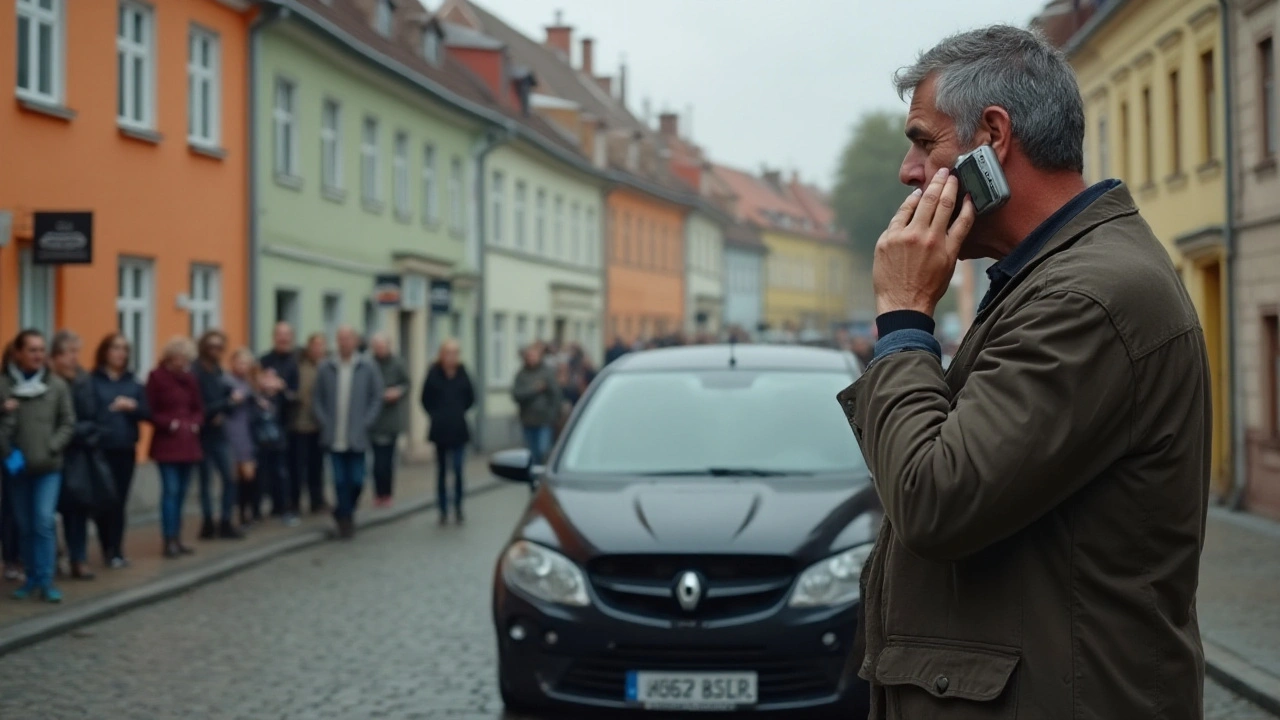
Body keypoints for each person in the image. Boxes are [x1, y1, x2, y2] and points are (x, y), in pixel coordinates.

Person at [837, 26, 1209, 719]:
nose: (907, 170)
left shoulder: (1087, 296)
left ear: (993, 138)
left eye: (924, 141)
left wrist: (904, 317)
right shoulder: (1053, 277)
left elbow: (933, 498)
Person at [0, 330, 74, 602]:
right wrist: (7, 452)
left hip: (48, 467)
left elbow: (68, 422)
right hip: (16, 468)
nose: (38, 355)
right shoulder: (5, 385)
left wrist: (52, 446)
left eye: (41, 350)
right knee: (24, 524)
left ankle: (46, 580)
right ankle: (30, 578)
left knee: (43, 521)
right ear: (18, 353)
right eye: (32, 350)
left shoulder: (56, 386)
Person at [312, 326, 383, 539]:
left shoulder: (367, 366)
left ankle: (345, 510)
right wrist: (324, 421)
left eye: (348, 339)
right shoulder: (327, 367)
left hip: (357, 435)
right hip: (334, 434)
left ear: (355, 341)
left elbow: (376, 397)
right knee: (339, 481)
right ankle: (345, 520)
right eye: (341, 339)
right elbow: (317, 398)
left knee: (357, 480)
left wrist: (366, 422)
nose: (344, 343)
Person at [49, 330, 108, 581]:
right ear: (56, 356)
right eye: (69, 353)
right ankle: (50, 558)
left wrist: (74, 432)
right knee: (46, 513)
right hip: (50, 454)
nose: (74, 358)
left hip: (79, 456)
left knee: (78, 510)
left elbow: (95, 419)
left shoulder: (85, 382)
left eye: (76, 352)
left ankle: (78, 558)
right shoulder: (47, 383)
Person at [90, 333, 148, 568]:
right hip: (101, 448)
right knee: (104, 500)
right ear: (105, 351)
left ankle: (116, 549)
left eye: (124, 349)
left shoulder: (132, 382)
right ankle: (106, 545)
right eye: (115, 348)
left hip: (125, 447)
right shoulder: (93, 380)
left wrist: (133, 407)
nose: (120, 353)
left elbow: (148, 412)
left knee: (119, 501)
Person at [147, 338, 204, 558]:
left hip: (188, 442)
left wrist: (196, 423)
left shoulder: (190, 379)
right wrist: (169, 423)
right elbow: (150, 410)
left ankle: (178, 537)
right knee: (170, 491)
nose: (183, 363)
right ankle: (168, 538)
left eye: (186, 359)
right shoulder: (157, 377)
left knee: (181, 493)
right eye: (179, 358)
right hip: (167, 443)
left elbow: (198, 407)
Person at [192, 330, 245, 540]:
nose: (215, 350)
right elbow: (199, 406)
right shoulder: (196, 372)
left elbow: (225, 401)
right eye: (211, 346)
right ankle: (207, 522)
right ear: (204, 347)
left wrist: (227, 407)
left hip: (220, 433)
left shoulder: (219, 372)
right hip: (203, 434)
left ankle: (225, 520)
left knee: (229, 478)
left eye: (219, 347)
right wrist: (224, 405)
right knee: (205, 481)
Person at [420, 339, 474, 524]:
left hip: (458, 428)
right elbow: (425, 399)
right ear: (441, 354)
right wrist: (437, 414)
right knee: (442, 470)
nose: (451, 357)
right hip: (440, 429)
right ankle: (442, 509)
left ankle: (458, 506)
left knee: (458, 469)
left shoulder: (463, 373)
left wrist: (458, 411)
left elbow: (470, 398)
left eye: (455, 353)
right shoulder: (433, 374)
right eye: (448, 353)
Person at [258, 323, 300, 519]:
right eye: (279, 335)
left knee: (286, 468)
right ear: (274, 337)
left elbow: (297, 393)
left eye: (286, 335)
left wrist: (283, 389)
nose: (283, 339)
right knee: (265, 467)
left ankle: (284, 505)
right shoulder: (265, 360)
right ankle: (264, 505)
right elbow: (256, 384)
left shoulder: (296, 362)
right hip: (266, 422)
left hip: (290, 422)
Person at [368, 332, 409, 508]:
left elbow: (407, 383)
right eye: (377, 347)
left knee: (388, 460)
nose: (380, 350)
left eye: (382, 346)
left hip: (391, 419)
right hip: (374, 419)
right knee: (377, 462)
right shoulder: (368, 365)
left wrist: (398, 392)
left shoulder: (398, 363)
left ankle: (387, 493)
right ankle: (378, 493)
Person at [291, 333, 329, 515]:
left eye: (321, 346)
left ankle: (317, 500)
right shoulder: (300, 366)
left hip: (320, 426)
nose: (318, 349)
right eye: (315, 345)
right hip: (300, 423)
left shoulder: (328, 366)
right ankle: (295, 502)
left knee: (317, 466)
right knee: (298, 467)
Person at [225, 349, 262, 527]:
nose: (243, 367)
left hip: (248, 430)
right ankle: (237, 513)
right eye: (240, 363)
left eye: (246, 363)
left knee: (249, 475)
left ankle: (247, 510)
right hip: (233, 430)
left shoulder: (250, 382)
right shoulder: (226, 381)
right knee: (236, 474)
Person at [511, 344, 559, 466]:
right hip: (527, 420)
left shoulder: (547, 373)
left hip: (544, 420)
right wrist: (534, 389)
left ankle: (542, 475)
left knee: (543, 451)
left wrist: (553, 414)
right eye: (529, 356)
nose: (531, 358)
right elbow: (517, 395)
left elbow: (555, 394)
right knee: (531, 453)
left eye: (534, 356)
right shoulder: (521, 375)